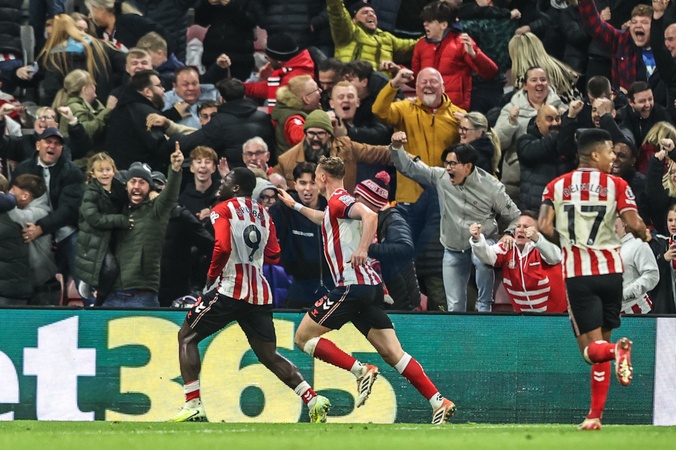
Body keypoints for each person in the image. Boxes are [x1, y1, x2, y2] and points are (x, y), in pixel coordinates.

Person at [276, 155, 456, 424]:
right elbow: (323, 218)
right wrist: (295, 206)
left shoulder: (340, 199)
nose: (313, 181)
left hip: (353, 284)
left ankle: (360, 370)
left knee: (303, 338)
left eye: (315, 176)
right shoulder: (335, 207)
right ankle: (438, 400)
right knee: (393, 353)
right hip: (369, 287)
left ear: (323, 177)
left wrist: (362, 249)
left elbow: (370, 215)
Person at [170, 166, 331, 423]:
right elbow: (274, 254)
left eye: (225, 180)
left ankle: (193, 404)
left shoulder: (222, 209)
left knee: (186, 337)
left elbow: (222, 246)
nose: (221, 184)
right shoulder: (265, 214)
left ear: (235, 187)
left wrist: (211, 276)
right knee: (269, 355)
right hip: (259, 293)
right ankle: (313, 399)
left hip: (230, 288)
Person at [538, 128, 648, 430]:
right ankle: (595, 416)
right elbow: (634, 222)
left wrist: (567, 240)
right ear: (595, 154)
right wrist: (645, 234)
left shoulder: (555, 186)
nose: (614, 157)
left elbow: (543, 225)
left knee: (591, 352)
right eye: (610, 151)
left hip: (579, 275)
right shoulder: (618, 184)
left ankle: (616, 352)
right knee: (603, 341)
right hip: (612, 274)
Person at [390, 131, 520, 312]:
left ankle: (485, 309)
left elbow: (515, 215)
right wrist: (397, 147)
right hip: (453, 246)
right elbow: (409, 168)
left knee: (482, 259)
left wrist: (508, 233)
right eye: (446, 163)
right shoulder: (441, 177)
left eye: (453, 163)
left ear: (468, 166)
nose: (448, 168)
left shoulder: (491, 187)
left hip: (482, 241)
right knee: (455, 306)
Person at [104, 144, 184, 307]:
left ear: (149, 187)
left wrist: (175, 169)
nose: (136, 186)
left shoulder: (156, 211)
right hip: (111, 294)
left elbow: (169, 196)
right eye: (132, 182)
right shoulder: (117, 209)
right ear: (126, 185)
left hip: (142, 296)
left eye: (142, 182)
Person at [372, 67, 464, 205]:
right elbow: (378, 111)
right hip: (410, 197)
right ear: (416, 88)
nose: (428, 85)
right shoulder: (404, 109)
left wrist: (468, 125)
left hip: (444, 196)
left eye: (433, 82)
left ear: (443, 87)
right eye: (423, 82)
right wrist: (395, 83)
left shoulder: (459, 116)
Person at [11, 127, 84, 299]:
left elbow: (69, 210)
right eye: (48, 142)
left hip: (63, 231)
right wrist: (36, 230)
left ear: (62, 149)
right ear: (38, 145)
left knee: (80, 264)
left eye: (57, 144)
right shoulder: (23, 169)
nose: (52, 146)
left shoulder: (72, 171)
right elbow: (14, 201)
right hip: (31, 229)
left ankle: (90, 303)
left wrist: (42, 229)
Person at [407, 0, 497, 111]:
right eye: (425, 20)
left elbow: (490, 72)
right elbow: (416, 81)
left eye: (430, 21)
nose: (425, 24)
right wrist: (398, 71)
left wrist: (474, 55)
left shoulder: (462, 42)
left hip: (454, 110)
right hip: (426, 110)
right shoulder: (421, 45)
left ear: (443, 25)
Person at [274, 109, 392, 194]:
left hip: (341, 211)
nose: (315, 138)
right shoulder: (287, 160)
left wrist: (400, 152)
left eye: (320, 133)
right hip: (305, 214)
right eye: (311, 133)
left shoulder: (346, 148)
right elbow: (273, 180)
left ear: (329, 134)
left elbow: (381, 153)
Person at [470, 211, 567, 313]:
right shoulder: (508, 247)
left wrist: (537, 239)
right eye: (518, 226)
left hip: (558, 314)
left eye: (526, 227)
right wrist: (477, 239)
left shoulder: (543, 247)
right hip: (524, 316)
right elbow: (487, 255)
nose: (520, 230)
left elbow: (555, 257)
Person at [494, 66, 564, 205]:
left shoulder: (561, 108)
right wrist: (510, 122)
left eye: (543, 80)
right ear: (525, 85)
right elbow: (497, 143)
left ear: (548, 82)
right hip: (516, 181)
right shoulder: (511, 108)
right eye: (534, 80)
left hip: (552, 177)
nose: (539, 84)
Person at [269, 161, 333, 309]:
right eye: (303, 183)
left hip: (329, 281)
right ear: (295, 185)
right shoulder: (282, 209)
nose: (307, 188)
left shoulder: (330, 207)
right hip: (297, 283)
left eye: (313, 183)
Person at [354, 171, 420, 311]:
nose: (356, 201)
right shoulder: (365, 221)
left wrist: (366, 248)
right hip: (382, 292)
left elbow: (405, 248)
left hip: (400, 296)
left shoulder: (392, 218)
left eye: (359, 196)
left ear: (372, 200)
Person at [105, 70, 195, 172]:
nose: (163, 90)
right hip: (143, 174)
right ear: (148, 92)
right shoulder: (147, 114)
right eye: (159, 86)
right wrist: (180, 140)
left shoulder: (124, 108)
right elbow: (162, 150)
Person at [175, 78, 274, 168]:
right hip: (263, 172)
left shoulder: (219, 122)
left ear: (221, 99)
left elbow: (188, 144)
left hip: (232, 175)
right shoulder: (264, 117)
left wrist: (172, 140)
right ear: (243, 95)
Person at [74, 152, 130, 306]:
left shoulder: (120, 188)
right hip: (95, 236)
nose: (105, 173)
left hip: (112, 235)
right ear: (93, 173)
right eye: (100, 170)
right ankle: (98, 299)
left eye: (108, 169)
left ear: (114, 170)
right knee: (110, 267)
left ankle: (99, 293)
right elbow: (94, 218)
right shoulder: (90, 192)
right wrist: (121, 220)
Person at [3, 174, 60, 306]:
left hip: (44, 288)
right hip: (33, 285)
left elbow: (14, 215)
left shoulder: (39, 213)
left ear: (25, 196)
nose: (9, 194)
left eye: (13, 190)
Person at [326, 0, 417, 75]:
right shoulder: (348, 32)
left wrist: (427, 32)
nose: (371, 14)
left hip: (382, 87)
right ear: (354, 20)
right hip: (352, 84)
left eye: (373, 12)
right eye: (365, 13)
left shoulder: (387, 37)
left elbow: (415, 45)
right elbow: (336, 10)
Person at [52, 69, 114, 150]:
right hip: (82, 156)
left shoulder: (93, 104)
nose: (95, 87)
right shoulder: (74, 108)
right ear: (85, 90)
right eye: (92, 84)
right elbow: (87, 131)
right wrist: (108, 110)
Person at [614, 217, 658, 314]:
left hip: (637, 312)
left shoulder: (638, 244)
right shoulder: (601, 248)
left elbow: (652, 276)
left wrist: (625, 293)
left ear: (624, 222)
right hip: (609, 314)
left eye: (614, 217)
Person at [646, 203, 676, 314]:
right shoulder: (657, 243)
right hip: (664, 307)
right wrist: (664, 258)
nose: (673, 224)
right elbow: (649, 273)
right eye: (670, 220)